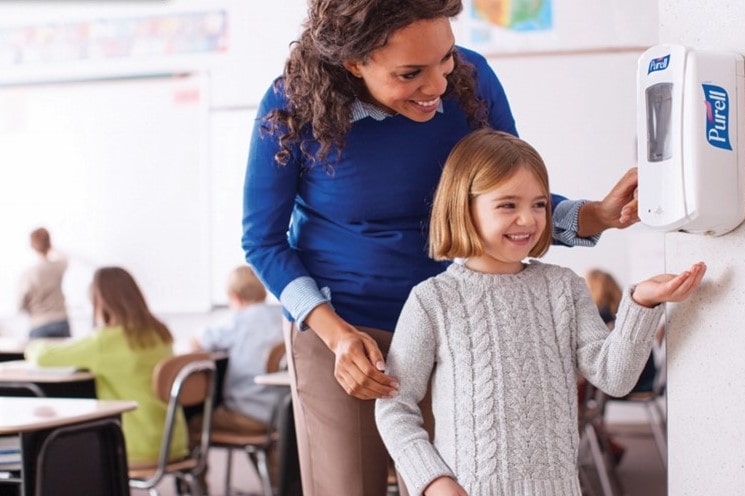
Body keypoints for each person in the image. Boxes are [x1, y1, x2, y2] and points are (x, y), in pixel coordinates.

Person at [242, 1, 641, 494]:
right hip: (341, 328)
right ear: (353, 62)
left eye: (445, 58)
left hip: (451, 323)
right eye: (411, 73)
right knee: (344, 484)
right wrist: (335, 334)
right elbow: (262, 242)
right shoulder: (293, 104)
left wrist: (596, 215)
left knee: (448, 481)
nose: (436, 86)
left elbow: (506, 195)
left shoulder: (471, 80)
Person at [375, 128, 706, 496]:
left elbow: (615, 378)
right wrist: (435, 482)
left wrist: (641, 303)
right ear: (463, 207)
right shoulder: (432, 300)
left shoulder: (564, 288)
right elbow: (395, 406)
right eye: (508, 205)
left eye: (539, 204)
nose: (528, 220)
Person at [24, 266, 188, 467]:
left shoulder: (105, 342)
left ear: (101, 301)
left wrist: (32, 345)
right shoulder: (160, 333)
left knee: (65, 454)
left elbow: (42, 356)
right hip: (174, 441)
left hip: (135, 446)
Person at [186, 265, 285, 493]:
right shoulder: (280, 316)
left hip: (246, 414)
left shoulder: (235, 321)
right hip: (279, 413)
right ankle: (277, 486)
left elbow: (196, 342)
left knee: (191, 427)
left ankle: (198, 491)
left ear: (234, 297)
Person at [585, 268, 658, 392]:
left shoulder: (600, 316)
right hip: (648, 379)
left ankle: (585, 410)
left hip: (631, 384)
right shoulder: (626, 313)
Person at [18, 227, 71, 338]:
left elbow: (21, 304)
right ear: (49, 243)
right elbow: (65, 257)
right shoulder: (58, 266)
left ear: (32, 246)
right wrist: (50, 247)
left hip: (39, 324)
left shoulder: (28, 273)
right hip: (61, 321)